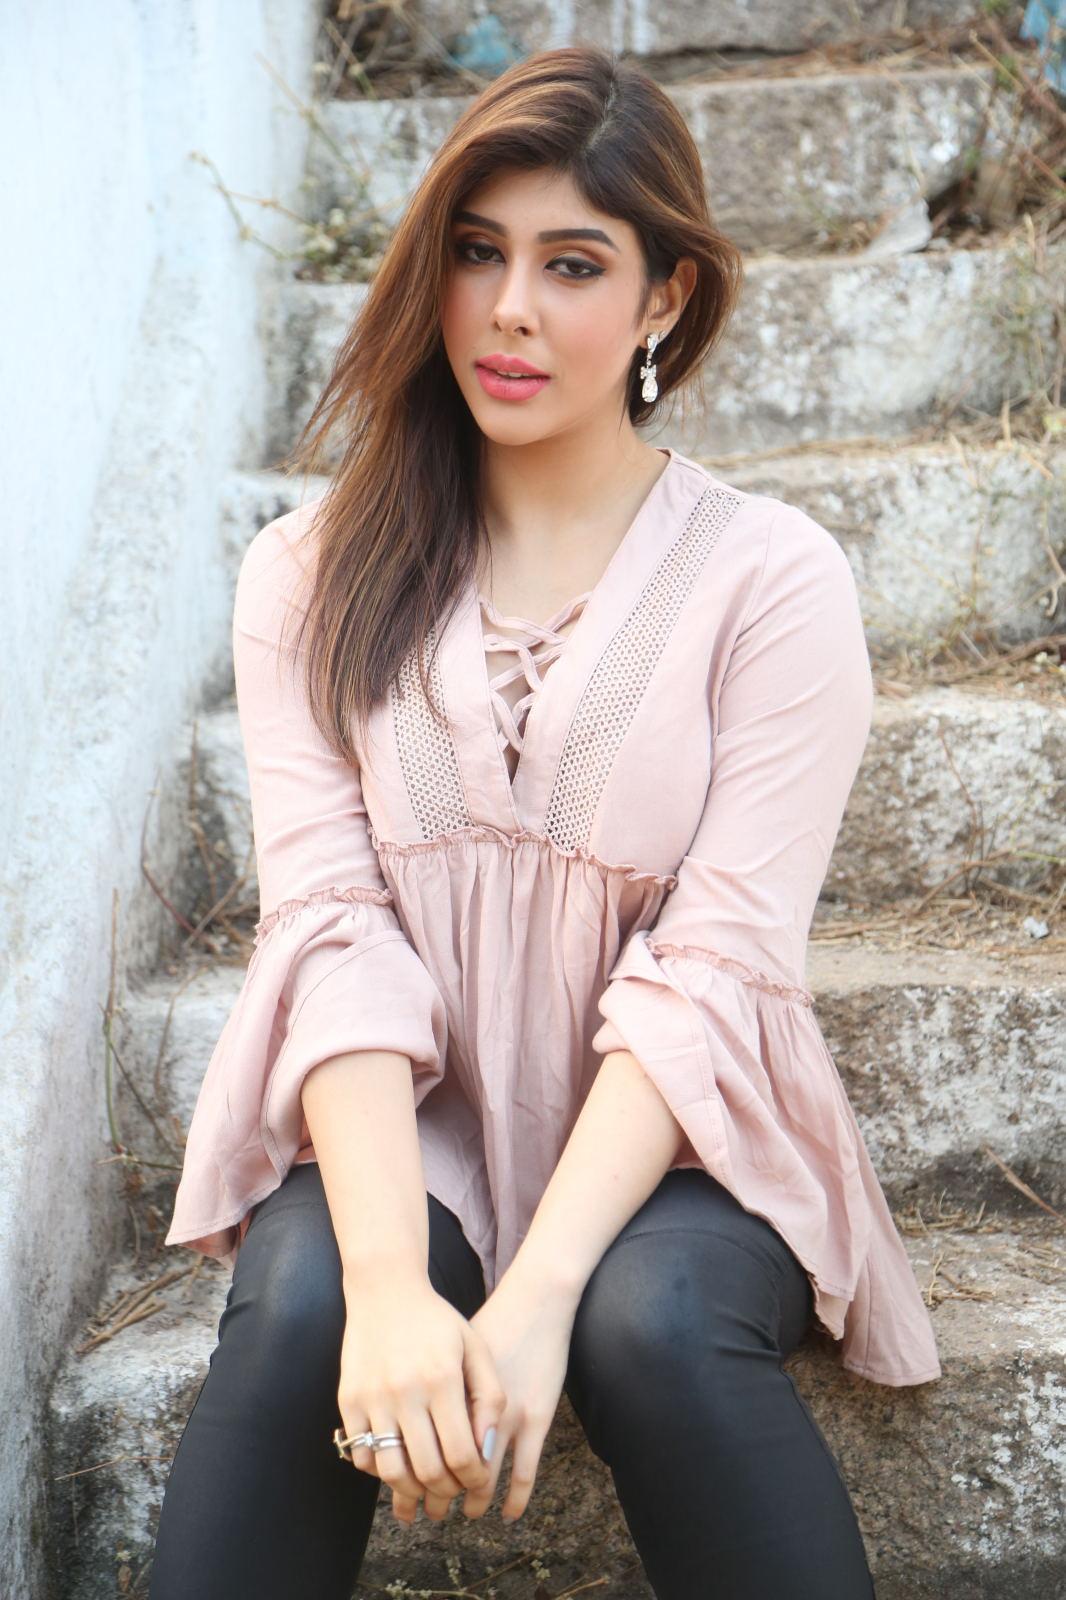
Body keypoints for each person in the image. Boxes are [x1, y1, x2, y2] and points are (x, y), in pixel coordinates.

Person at [149, 43, 942, 1600]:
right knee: (307, 1308)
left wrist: (542, 1292)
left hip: (684, 1137)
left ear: (661, 298)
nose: (508, 308)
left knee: (650, 1324)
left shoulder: (769, 579)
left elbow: (717, 960)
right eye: (476, 252)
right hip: (414, 1122)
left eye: (572, 265)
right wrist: (392, 1281)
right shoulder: (308, 571)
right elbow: (329, 928)